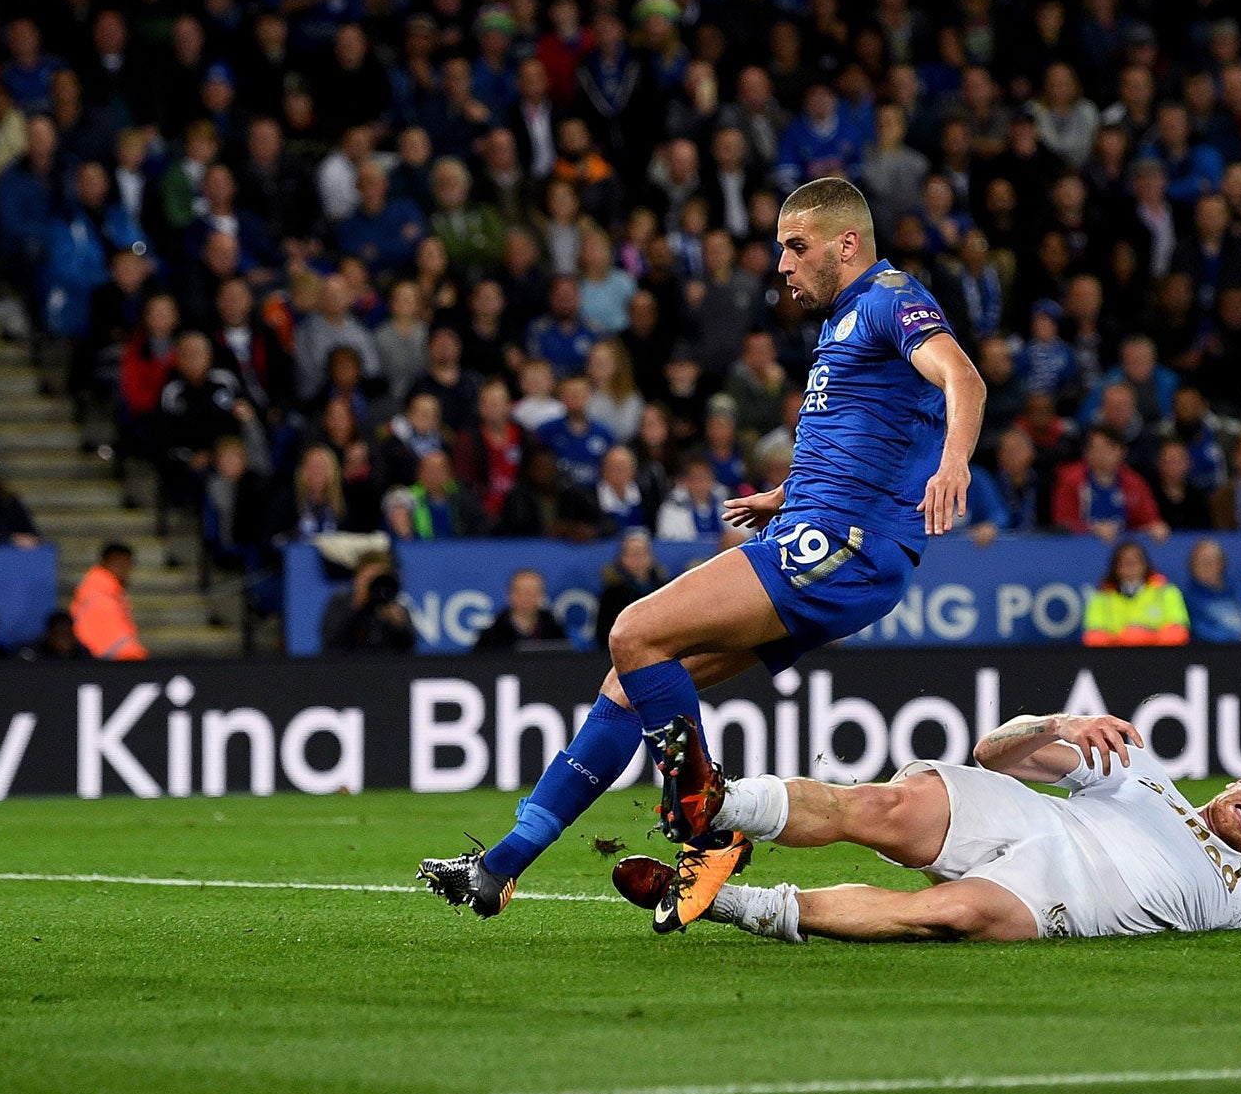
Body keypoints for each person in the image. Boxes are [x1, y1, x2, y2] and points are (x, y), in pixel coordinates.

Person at [422, 177, 984, 916]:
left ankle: (707, 828)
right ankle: (502, 865)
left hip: (840, 545)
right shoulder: (845, 319)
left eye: (796, 246)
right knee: (630, 681)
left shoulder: (887, 298)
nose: (782, 265)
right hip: (814, 529)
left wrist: (955, 464)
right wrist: (785, 495)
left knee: (635, 630)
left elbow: (961, 378)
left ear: (847, 243)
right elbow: (872, 435)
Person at [610, 711, 1241, 941]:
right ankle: (721, 803)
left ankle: (724, 900)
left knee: (947, 911)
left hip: (1060, 893)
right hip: (1028, 815)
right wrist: (1058, 723)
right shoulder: (1139, 772)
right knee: (884, 808)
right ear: (1240, 780)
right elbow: (994, 753)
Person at [1080, 539, 1188, 647]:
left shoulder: (1166, 591)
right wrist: (1125, 639)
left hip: (1158, 656)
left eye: (1135, 562)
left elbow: (1178, 631)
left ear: (1145, 564)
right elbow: (1092, 636)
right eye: (1125, 563)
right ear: (1116, 568)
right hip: (1114, 658)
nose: (1130, 567)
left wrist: (1145, 637)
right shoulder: (1102, 597)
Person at [321, 550, 416, 652]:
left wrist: (399, 626)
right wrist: (356, 606)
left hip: (385, 665)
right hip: (347, 664)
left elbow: (409, 648)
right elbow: (330, 641)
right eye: (369, 578)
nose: (373, 584)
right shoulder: (341, 602)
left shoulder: (394, 605)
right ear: (357, 578)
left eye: (378, 578)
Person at [70, 540, 147, 660]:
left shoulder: (101, 591)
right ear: (116, 560)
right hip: (110, 669)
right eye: (128, 564)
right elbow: (115, 645)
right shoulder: (100, 598)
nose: (129, 571)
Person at [1183, 539, 1241, 646]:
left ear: (1222, 564)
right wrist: (1238, 637)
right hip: (1214, 654)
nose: (1205, 567)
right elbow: (1198, 629)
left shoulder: (1238, 591)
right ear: (1191, 566)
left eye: (1210, 562)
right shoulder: (1189, 598)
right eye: (1199, 562)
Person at [596, 528, 666, 643]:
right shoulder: (611, 595)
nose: (638, 560)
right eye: (633, 554)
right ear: (622, 558)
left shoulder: (663, 591)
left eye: (641, 553)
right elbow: (603, 634)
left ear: (651, 557)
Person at [474, 567, 569, 650]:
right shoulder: (490, 637)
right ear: (510, 595)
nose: (526, 597)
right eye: (520, 591)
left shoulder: (556, 633)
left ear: (541, 596)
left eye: (532, 592)